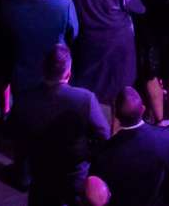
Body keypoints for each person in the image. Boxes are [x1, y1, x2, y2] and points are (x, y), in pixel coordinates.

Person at [8, 43, 108, 206]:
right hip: (75, 179)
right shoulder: (84, 99)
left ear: (43, 70)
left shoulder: (24, 99)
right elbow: (104, 136)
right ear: (68, 73)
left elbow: (15, 136)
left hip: (41, 178)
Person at [91, 86, 169, 206]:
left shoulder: (105, 152)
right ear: (142, 109)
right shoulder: (167, 137)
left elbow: (100, 192)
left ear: (116, 115)